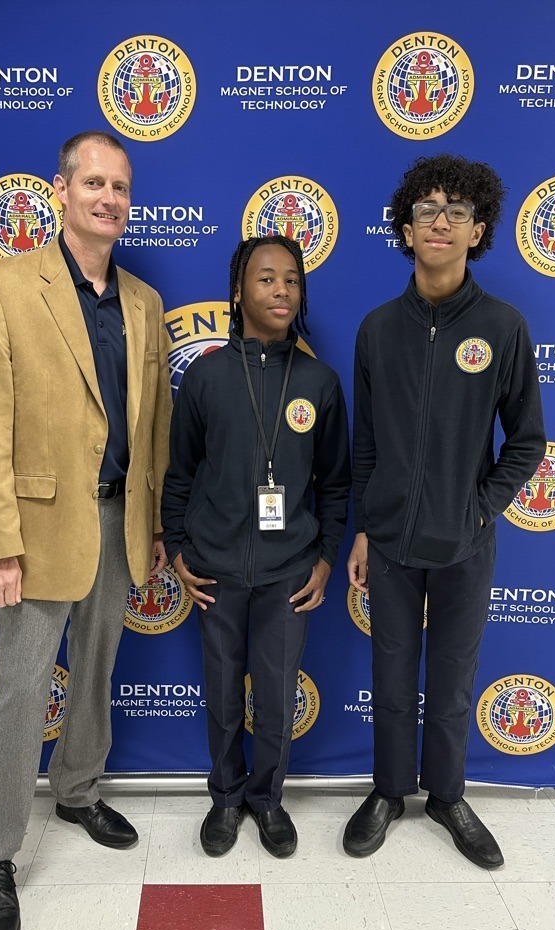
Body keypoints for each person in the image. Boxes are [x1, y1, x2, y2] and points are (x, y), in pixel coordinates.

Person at [0, 130, 172, 930]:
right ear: (60, 190)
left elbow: (152, 429)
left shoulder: (144, 303)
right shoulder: (1, 287)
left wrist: (148, 526)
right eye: (93, 183)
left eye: (120, 186)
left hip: (121, 522)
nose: (108, 198)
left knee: (100, 669)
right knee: (19, 689)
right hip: (38, 527)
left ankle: (78, 790)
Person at [345, 154, 546, 868]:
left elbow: (527, 442)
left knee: (454, 677)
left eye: (455, 210)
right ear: (406, 229)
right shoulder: (377, 330)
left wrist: (478, 509)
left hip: (465, 541)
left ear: (478, 228)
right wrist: (366, 527)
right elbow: (364, 446)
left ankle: (447, 795)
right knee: (392, 676)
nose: (440, 220)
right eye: (426, 209)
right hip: (392, 540)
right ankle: (388, 791)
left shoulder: (502, 325)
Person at [161, 235, 351, 859]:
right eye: (267, 279)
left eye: (292, 280)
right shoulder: (208, 376)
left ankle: (266, 800)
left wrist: (324, 556)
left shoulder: (319, 381)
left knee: (274, 695)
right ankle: (224, 798)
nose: (281, 291)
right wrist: (182, 546)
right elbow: (181, 470)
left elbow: (337, 481)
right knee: (222, 693)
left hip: (287, 572)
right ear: (239, 288)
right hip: (215, 568)